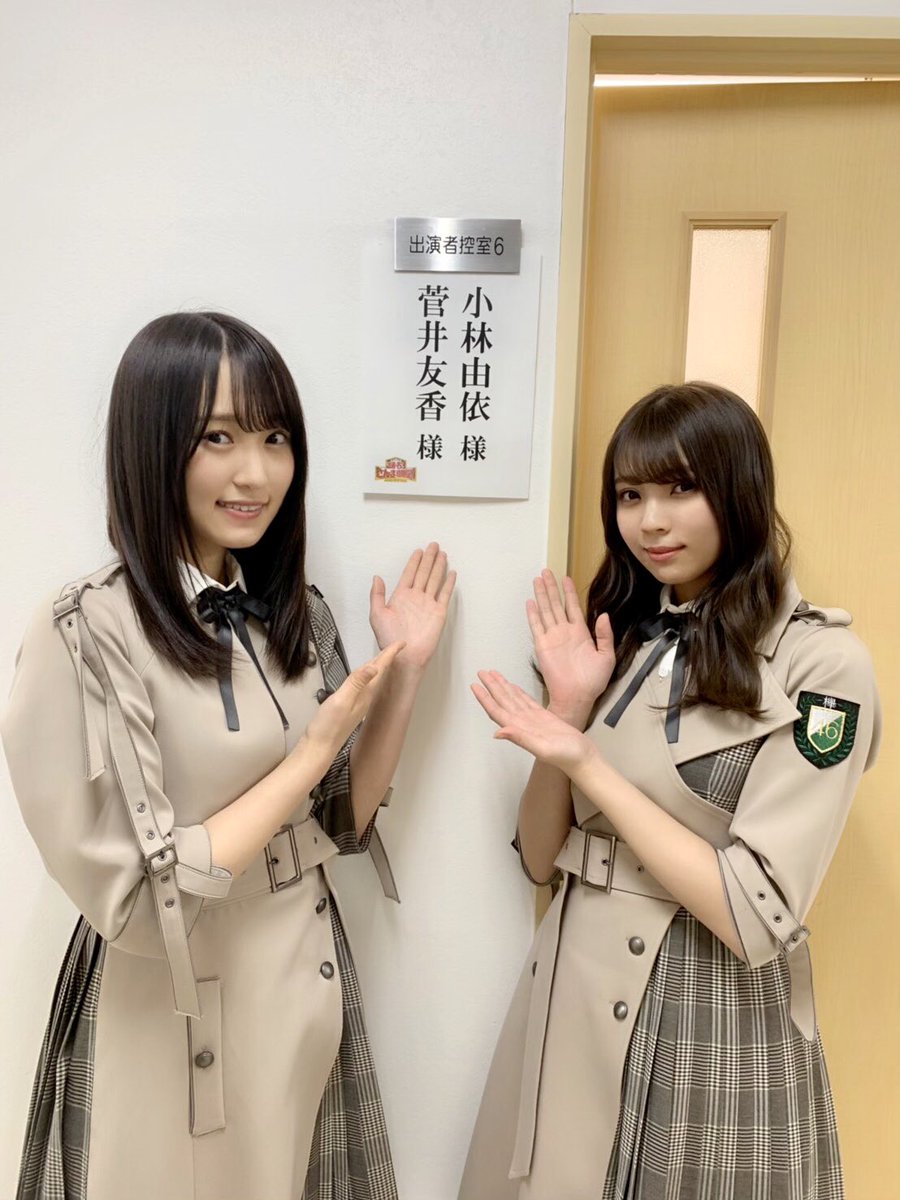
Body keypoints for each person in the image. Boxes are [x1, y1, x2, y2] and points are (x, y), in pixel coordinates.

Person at [2, 311, 456, 1200]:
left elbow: (341, 823)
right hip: (172, 1012)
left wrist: (403, 672)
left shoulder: (296, 614)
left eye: (274, 437)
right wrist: (310, 752)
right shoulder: (85, 631)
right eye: (219, 438)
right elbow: (136, 904)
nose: (256, 472)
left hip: (301, 986)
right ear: (153, 445)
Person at [459, 383, 879, 1200]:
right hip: (569, 991)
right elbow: (541, 860)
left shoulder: (823, 666)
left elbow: (754, 914)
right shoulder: (617, 637)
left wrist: (587, 762)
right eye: (629, 495)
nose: (650, 521)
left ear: (739, 489)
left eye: (681, 488)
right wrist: (568, 710)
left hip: (706, 1009)